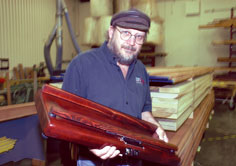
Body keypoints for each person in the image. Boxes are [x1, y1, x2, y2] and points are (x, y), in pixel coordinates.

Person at [62, 8, 168, 166]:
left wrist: (156, 128)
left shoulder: (141, 70)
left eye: (139, 37)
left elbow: (144, 111)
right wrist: (90, 142)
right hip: (93, 160)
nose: (131, 43)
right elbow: (64, 116)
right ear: (111, 32)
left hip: (133, 157)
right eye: (125, 33)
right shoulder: (82, 65)